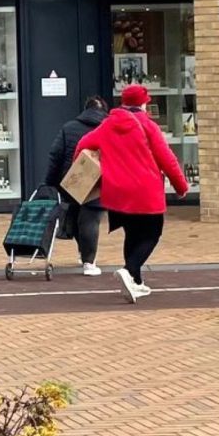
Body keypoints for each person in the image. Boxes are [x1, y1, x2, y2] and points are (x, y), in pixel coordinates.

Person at [75, 85, 189, 303]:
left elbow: (83, 144)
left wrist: (85, 171)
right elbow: (167, 159)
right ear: (143, 103)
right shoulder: (149, 126)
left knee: (132, 233)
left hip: (117, 192)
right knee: (152, 233)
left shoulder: (107, 125)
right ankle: (129, 270)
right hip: (145, 191)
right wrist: (181, 186)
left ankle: (135, 282)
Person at [44, 96, 111, 276]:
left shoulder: (69, 128)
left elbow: (55, 155)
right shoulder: (110, 129)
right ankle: (89, 262)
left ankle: (84, 254)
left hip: (72, 180)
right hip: (99, 181)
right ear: (104, 111)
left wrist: (50, 182)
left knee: (75, 218)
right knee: (90, 220)